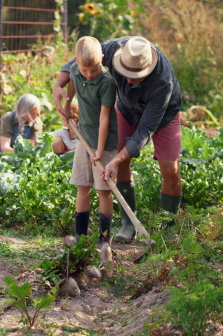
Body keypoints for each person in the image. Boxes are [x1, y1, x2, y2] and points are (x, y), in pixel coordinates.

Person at [53, 36, 183, 243]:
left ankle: (168, 227)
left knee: (170, 169)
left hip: (163, 115)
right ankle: (128, 223)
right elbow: (80, 59)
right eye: (126, 73)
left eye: (136, 76)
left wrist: (114, 159)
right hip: (126, 108)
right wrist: (59, 83)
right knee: (122, 165)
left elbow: (144, 132)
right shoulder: (114, 49)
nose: (129, 80)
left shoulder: (162, 82)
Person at [64, 36, 118, 250]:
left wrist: (100, 150)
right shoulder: (76, 71)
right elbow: (71, 85)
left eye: (93, 70)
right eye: (84, 70)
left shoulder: (107, 82)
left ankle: (104, 238)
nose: (88, 74)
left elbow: (105, 118)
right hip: (83, 138)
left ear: (102, 60)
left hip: (104, 142)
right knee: (82, 186)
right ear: (75, 61)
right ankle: (80, 236)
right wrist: (67, 110)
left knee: (103, 190)